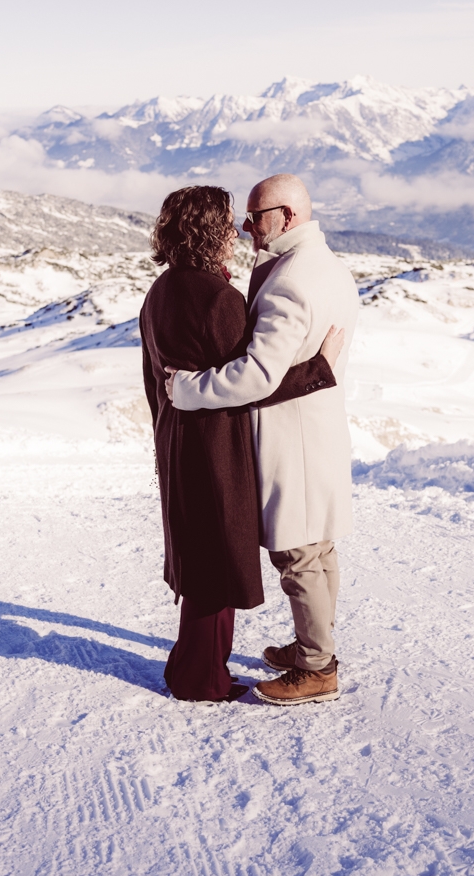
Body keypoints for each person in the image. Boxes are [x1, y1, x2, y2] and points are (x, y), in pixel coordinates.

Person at [139, 185, 343, 703]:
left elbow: (154, 378)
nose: (238, 232)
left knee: (200, 554)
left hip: (177, 438)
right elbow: (254, 380)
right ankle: (200, 680)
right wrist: (319, 368)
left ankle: (193, 665)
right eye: (230, 223)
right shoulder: (218, 298)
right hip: (216, 446)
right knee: (215, 561)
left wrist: (169, 418)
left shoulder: (159, 291)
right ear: (210, 232)